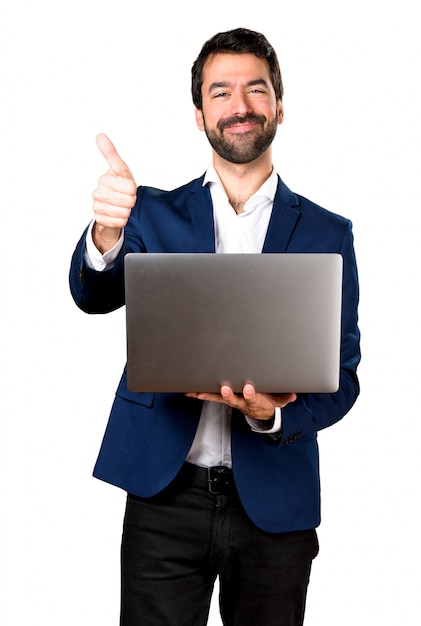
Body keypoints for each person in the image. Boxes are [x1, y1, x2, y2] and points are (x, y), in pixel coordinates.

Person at [69, 27, 360, 626]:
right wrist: (106, 234)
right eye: (220, 92)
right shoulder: (151, 212)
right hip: (164, 496)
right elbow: (92, 296)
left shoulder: (328, 234)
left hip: (275, 504)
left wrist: (271, 414)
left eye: (256, 90)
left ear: (280, 106)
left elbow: (345, 376)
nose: (240, 105)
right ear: (199, 115)